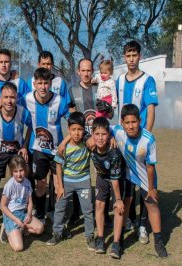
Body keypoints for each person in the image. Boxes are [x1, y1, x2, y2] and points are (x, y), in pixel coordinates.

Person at [111, 104, 168, 258]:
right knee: (126, 203)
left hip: (145, 176)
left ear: (140, 121)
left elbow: (150, 167)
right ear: (122, 122)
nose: (131, 126)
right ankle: (119, 241)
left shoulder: (148, 139)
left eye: (134, 122)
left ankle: (158, 241)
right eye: (127, 123)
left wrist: (151, 189)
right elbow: (103, 129)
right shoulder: (117, 130)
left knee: (152, 204)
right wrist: (107, 138)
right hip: (128, 174)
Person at [116, 40, 159, 242]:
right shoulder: (119, 80)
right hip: (124, 141)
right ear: (124, 57)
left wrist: (145, 138)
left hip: (139, 141)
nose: (131, 59)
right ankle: (130, 220)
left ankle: (143, 225)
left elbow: (150, 110)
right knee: (127, 185)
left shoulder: (148, 80)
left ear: (139, 56)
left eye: (134, 55)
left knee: (144, 185)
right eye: (128, 55)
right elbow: (117, 112)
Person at [67, 58, 113, 227]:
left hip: (100, 139)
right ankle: (76, 212)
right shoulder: (72, 90)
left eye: (89, 70)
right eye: (83, 70)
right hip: (82, 140)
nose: (86, 74)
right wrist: (81, 137)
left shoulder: (100, 88)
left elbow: (110, 114)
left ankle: (105, 212)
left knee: (103, 174)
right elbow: (72, 117)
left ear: (92, 71)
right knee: (79, 174)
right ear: (78, 72)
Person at [0, 82, 32, 237]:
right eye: (5, 97)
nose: (9, 101)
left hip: (16, 152)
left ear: (16, 98)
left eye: (12, 97)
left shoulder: (23, 112)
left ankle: (22, 213)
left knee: (23, 181)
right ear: (0, 98)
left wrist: (24, 146)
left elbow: (30, 127)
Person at [21, 68, 69, 224]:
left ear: (50, 84)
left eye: (46, 83)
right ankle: (40, 214)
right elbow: (11, 102)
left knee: (57, 185)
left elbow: (74, 122)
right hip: (39, 150)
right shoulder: (27, 98)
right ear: (34, 84)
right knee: (40, 185)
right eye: (39, 83)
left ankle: (56, 214)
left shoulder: (60, 101)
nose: (43, 87)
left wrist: (65, 141)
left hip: (57, 151)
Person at [46, 112, 95, 251]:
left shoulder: (87, 144)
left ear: (84, 130)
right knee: (60, 208)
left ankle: (90, 236)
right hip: (66, 182)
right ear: (69, 130)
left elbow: (96, 140)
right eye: (73, 130)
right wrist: (60, 186)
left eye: (80, 129)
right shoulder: (64, 147)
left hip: (84, 181)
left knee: (88, 210)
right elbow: (58, 166)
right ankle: (57, 233)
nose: (77, 133)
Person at [91, 117, 129, 259]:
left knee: (117, 208)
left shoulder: (114, 153)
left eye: (104, 134)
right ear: (93, 134)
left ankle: (116, 243)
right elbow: (78, 134)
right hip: (102, 177)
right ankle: (100, 238)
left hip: (117, 180)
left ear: (109, 135)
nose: (100, 138)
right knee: (99, 204)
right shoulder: (90, 144)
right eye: (97, 134)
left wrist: (118, 199)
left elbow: (115, 180)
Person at [0, 155, 44, 252]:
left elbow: (30, 202)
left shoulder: (27, 182)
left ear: (25, 169)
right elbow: (2, 206)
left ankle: (21, 230)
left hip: (22, 213)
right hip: (11, 216)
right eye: (15, 171)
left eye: (21, 170)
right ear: (11, 172)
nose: (19, 174)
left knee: (40, 229)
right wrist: (16, 220)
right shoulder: (9, 185)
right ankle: (6, 230)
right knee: (18, 248)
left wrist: (28, 213)